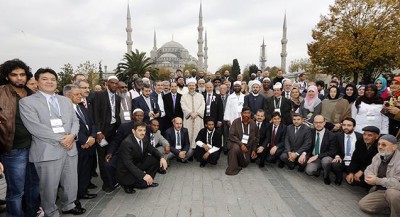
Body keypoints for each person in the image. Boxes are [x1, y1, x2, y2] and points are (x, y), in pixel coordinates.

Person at [19, 68, 85, 216]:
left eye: (53, 79)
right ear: (36, 82)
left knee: (71, 182)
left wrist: (72, 136)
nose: (50, 82)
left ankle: (69, 205)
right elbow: (35, 127)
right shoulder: (27, 102)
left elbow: (75, 121)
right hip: (47, 150)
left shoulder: (65, 100)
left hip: (69, 148)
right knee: (49, 186)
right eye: (45, 79)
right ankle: (50, 211)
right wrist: (63, 139)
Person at [0, 59, 40, 217]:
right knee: (16, 190)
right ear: (7, 76)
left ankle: (31, 213)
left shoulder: (32, 94)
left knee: (34, 187)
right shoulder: (1, 93)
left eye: (22, 74)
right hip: (13, 150)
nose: (19, 78)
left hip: (35, 148)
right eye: (14, 75)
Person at [64, 85, 97, 200]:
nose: (80, 96)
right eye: (77, 94)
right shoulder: (65, 110)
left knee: (85, 170)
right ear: (68, 95)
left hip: (89, 144)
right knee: (77, 171)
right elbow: (69, 128)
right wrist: (85, 140)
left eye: (80, 94)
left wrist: (92, 137)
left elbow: (92, 123)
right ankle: (75, 195)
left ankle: (83, 191)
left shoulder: (82, 107)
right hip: (77, 145)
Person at [116, 122, 168, 194]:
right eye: (140, 130)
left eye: (144, 130)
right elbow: (128, 164)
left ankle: (149, 179)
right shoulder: (127, 143)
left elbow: (152, 149)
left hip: (137, 163)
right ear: (133, 131)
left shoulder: (144, 138)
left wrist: (162, 157)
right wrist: (143, 175)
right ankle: (126, 185)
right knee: (144, 185)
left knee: (155, 159)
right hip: (126, 171)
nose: (143, 133)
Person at [358, 135, 400, 217]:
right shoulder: (379, 155)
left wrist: (377, 181)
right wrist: (369, 176)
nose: (380, 147)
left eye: (384, 145)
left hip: (395, 191)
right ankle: (394, 208)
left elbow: (397, 184)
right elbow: (369, 168)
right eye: (379, 144)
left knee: (392, 193)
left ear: (394, 147)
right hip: (382, 190)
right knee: (364, 205)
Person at [93, 75, 121, 193]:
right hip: (102, 133)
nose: (114, 85)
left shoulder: (118, 98)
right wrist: (98, 132)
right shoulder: (99, 95)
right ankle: (106, 183)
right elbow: (95, 114)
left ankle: (113, 179)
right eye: (112, 83)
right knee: (102, 156)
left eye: (116, 83)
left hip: (113, 131)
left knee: (112, 154)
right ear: (107, 83)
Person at [225, 107, 259, 175]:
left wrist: (254, 150)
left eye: (248, 113)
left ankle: (234, 160)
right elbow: (231, 135)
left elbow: (257, 138)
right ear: (241, 114)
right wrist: (241, 144)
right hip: (236, 143)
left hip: (247, 148)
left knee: (245, 163)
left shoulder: (253, 123)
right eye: (245, 113)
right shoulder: (236, 122)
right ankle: (232, 169)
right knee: (235, 148)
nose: (246, 115)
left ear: (250, 114)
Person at [304, 115, 337, 185]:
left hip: (325, 156)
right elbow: (306, 144)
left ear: (324, 123)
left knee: (326, 161)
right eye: (316, 122)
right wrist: (304, 154)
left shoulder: (331, 135)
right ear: (313, 123)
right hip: (314, 157)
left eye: (320, 122)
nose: (318, 124)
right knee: (309, 171)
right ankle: (318, 170)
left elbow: (332, 152)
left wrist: (318, 156)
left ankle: (326, 175)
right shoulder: (311, 132)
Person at [331, 117, 363, 185]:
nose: (346, 127)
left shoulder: (360, 137)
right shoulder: (337, 136)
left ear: (354, 126)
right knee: (335, 164)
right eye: (344, 125)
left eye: (349, 125)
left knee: (354, 183)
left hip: (354, 162)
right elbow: (334, 148)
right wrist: (337, 156)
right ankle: (339, 177)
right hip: (342, 160)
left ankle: (350, 174)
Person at [181, 78, 205, 151]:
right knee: (188, 134)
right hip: (188, 119)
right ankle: (188, 151)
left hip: (198, 118)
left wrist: (197, 113)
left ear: (196, 86)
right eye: (190, 85)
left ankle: (198, 151)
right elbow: (183, 106)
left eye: (193, 85)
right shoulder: (183, 96)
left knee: (198, 133)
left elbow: (203, 105)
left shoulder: (200, 96)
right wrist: (190, 113)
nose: (191, 87)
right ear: (187, 86)